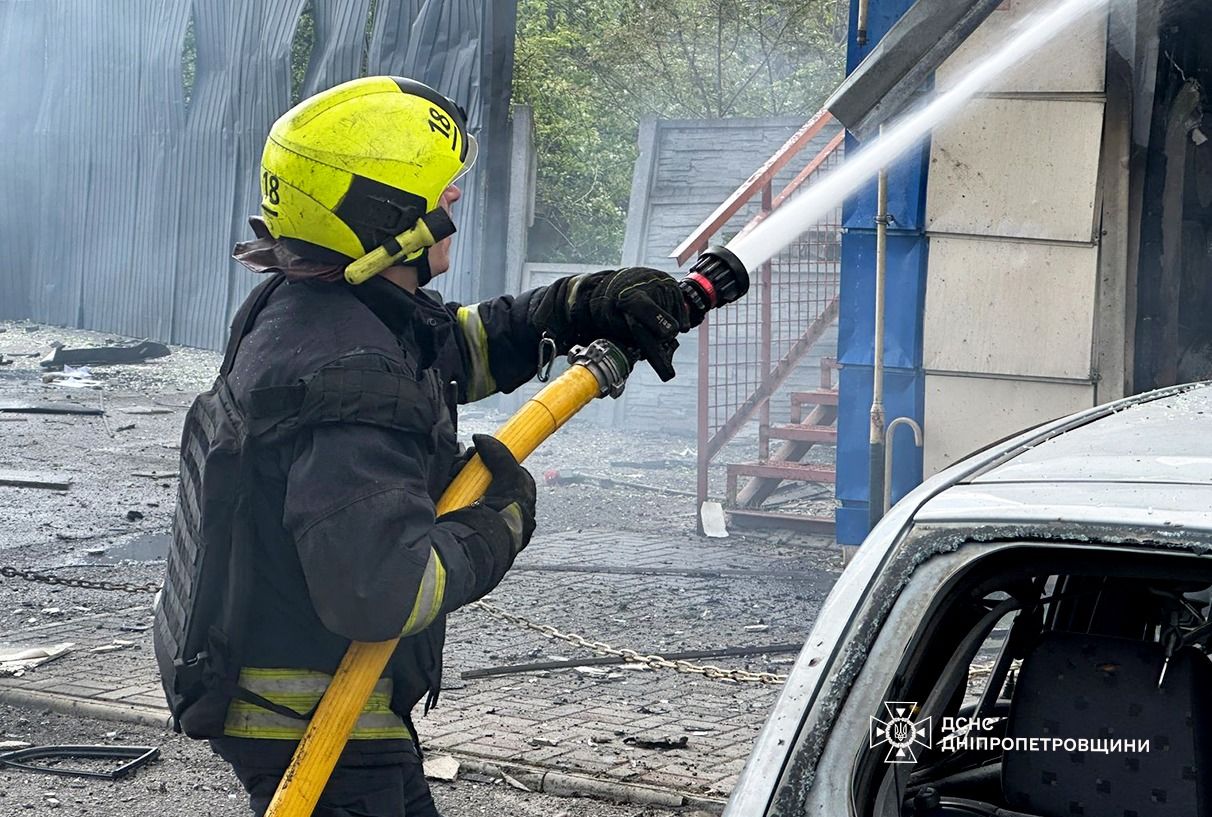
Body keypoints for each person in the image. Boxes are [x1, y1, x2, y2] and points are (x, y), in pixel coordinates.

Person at [152, 75, 690, 816]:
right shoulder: (348, 371)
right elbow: (382, 589)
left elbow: (449, 348)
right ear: (386, 216)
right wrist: (495, 523)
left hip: (327, 709)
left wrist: (574, 305)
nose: (455, 201)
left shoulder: (320, 306)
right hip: (317, 723)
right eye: (439, 191)